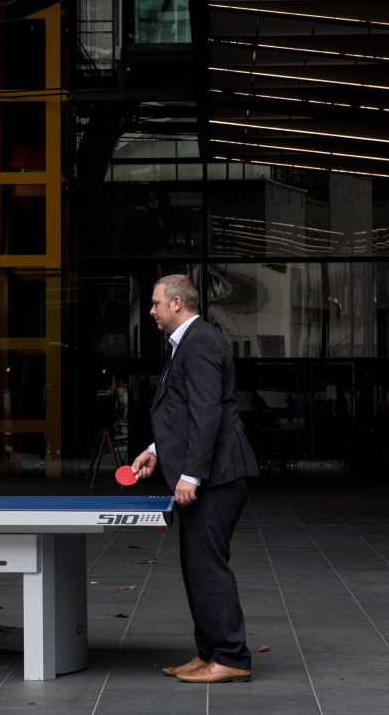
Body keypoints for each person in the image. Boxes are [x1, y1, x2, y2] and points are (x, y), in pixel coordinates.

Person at [129, 274, 259, 683]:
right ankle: (209, 653)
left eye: (154, 304)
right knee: (196, 566)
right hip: (211, 474)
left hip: (217, 477)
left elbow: (207, 414)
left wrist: (190, 475)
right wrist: (155, 450)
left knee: (208, 567)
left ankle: (232, 657)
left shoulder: (199, 342)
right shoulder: (187, 342)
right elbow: (183, 412)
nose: (150, 311)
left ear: (177, 303)